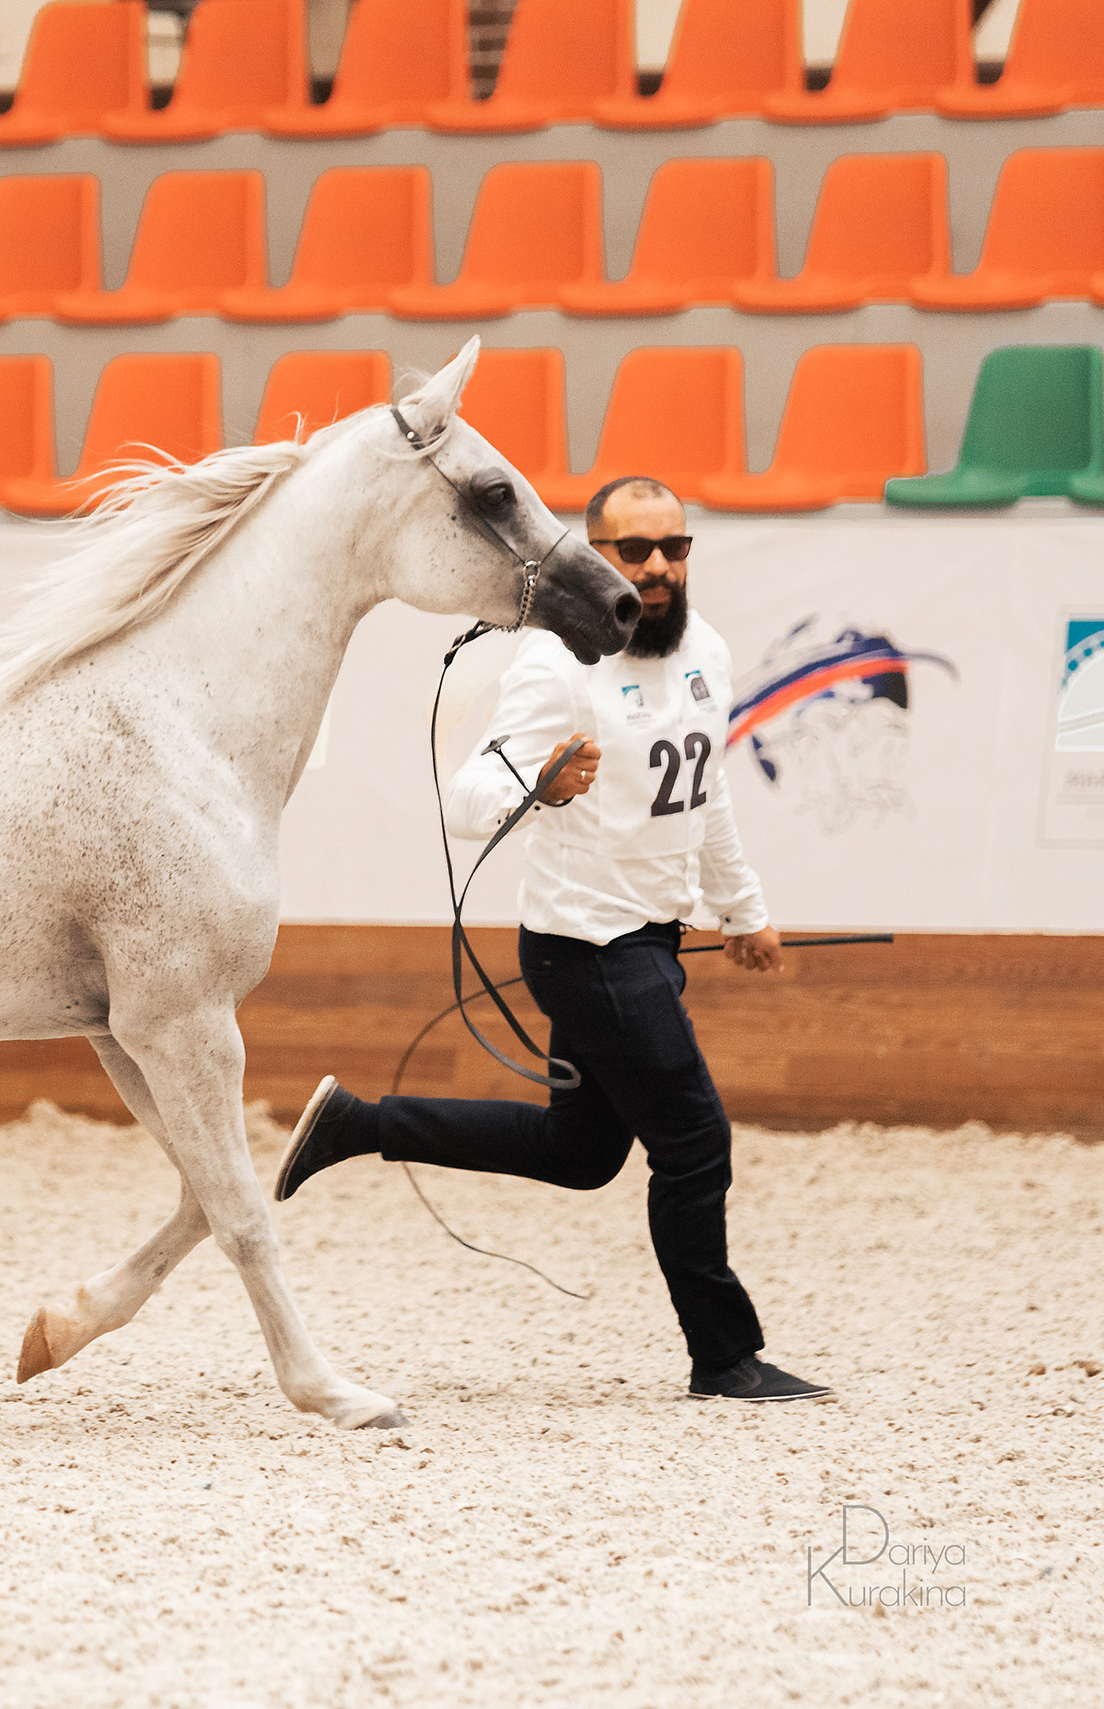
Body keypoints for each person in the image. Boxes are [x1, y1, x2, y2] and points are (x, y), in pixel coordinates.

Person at [274, 475, 831, 1404]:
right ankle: (725, 1356)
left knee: (582, 1154)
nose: (657, 567)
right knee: (695, 1138)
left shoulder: (708, 650)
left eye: (673, 548)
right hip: (586, 947)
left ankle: (362, 1123)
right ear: (595, 555)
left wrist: (743, 911)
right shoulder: (555, 663)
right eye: (634, 550)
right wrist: (540, 782)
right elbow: (467, 799)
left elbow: (708, 794)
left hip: (651, 941)